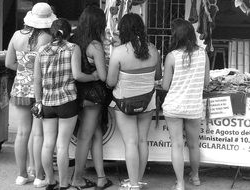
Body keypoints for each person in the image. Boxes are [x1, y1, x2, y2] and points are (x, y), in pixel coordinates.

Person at [106, 13, 161, 190]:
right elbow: (158, 76)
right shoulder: (153, 49)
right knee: (142, 141)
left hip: (124, 103)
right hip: (148, 101)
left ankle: (134, 184)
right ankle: (137, 178)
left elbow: (111, 82)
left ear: (123, 30)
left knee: (131, 142)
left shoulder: (119, 52)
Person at [5, 2, 56, 187]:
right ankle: (39, 176)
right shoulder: (47, 38)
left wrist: (24, 69)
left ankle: (21, 174)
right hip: (40, 89)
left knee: (21, 133)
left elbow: (9, 63)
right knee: (38, 134)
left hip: (20, 87)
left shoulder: (16, 35)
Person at [161, 18, 210, 190]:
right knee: (193, 144)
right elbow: (206, 83)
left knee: (177, 144)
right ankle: (195, 177)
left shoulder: (171, 57)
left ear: (176, 36)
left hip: (173, 106)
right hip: (193, 107)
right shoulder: (202, 54)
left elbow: (165, 86)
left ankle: (180, 183)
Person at [33, 18, 82, 190]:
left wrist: (38, 102)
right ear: (69, 33)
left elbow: (37, 81)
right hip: (67, 101)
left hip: (47, 102)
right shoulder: (73, 48)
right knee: (63, 145)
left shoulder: (42, 51)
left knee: (48, 144)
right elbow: (77, 75)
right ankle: (63, 183)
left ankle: (50, 181)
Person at [69, 5, 112, 190]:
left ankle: (101, 177)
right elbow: (103, 76)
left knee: (96, 134)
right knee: (85, 136)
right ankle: (77, 178)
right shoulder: (95, 45)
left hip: (76, 93)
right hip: (93, 96)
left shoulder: (74, 40)